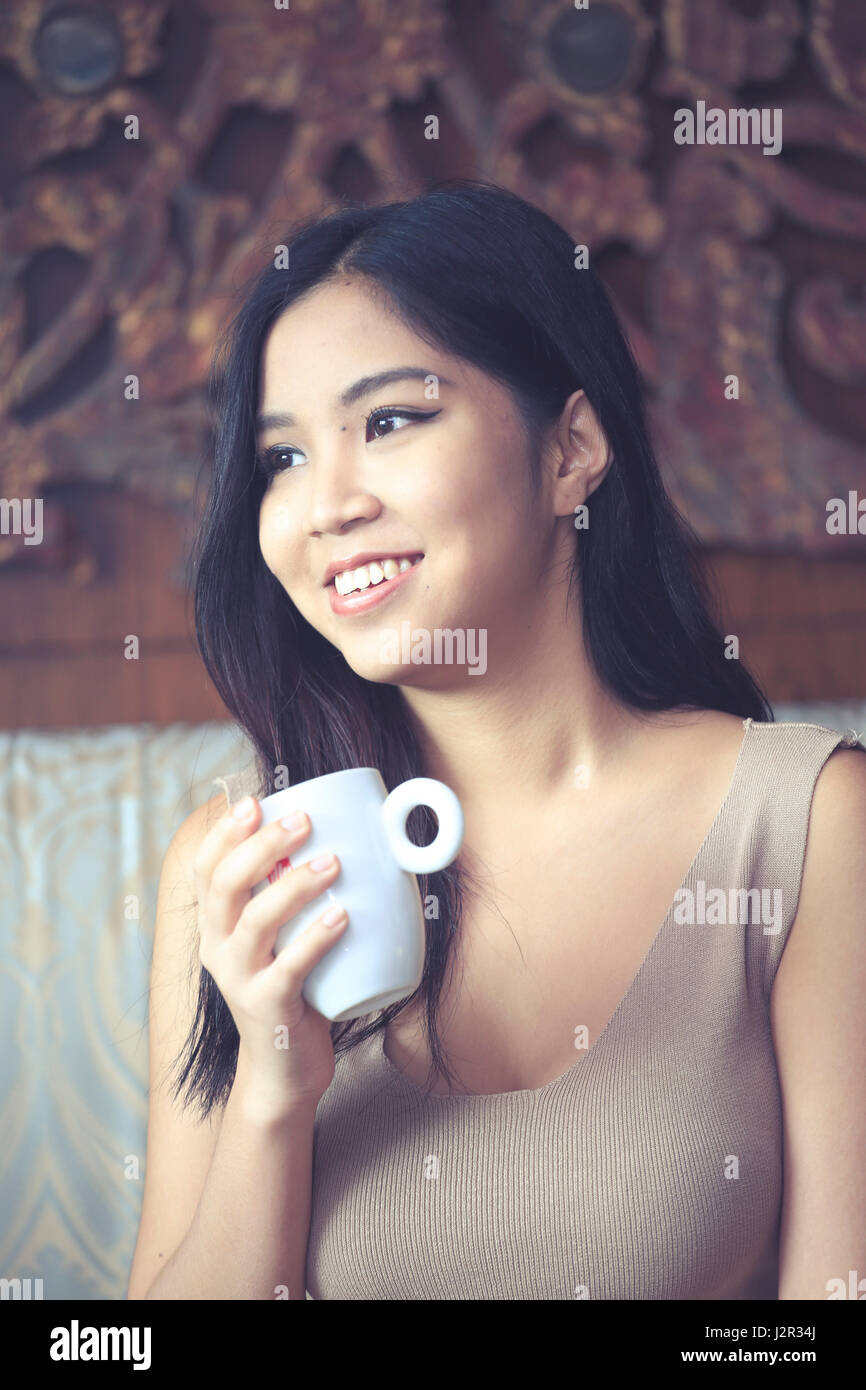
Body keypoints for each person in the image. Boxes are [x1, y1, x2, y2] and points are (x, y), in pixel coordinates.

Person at [127, 180, 866, 1301]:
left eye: (388, 421)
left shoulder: (805, 823)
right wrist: (273, 1091)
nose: (324, 504)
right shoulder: (238, 875)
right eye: (279, 459)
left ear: (569, 450)